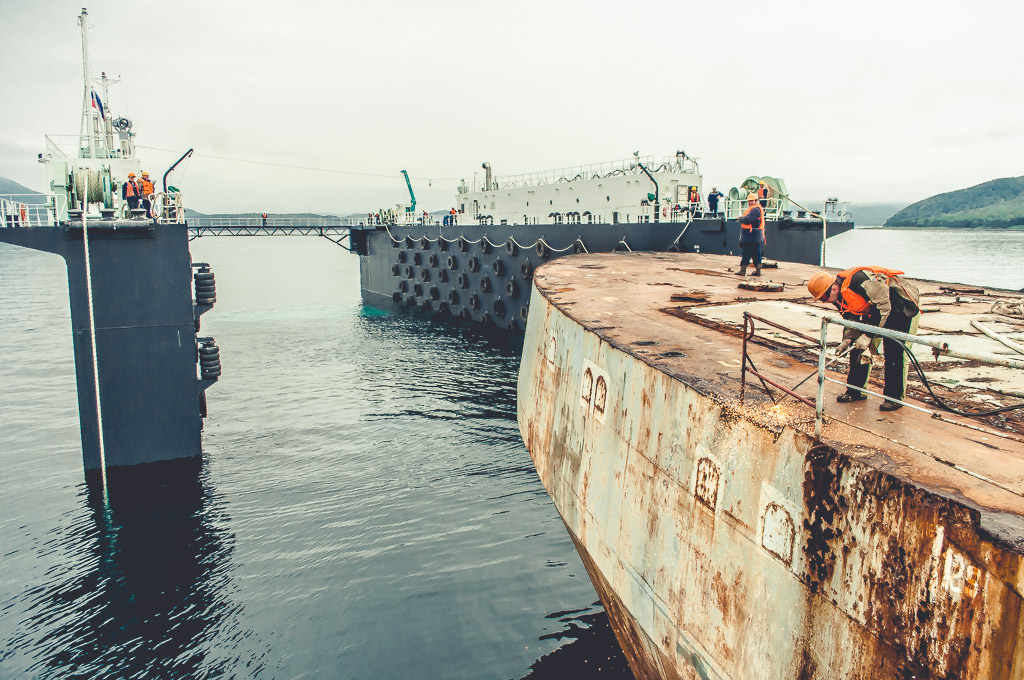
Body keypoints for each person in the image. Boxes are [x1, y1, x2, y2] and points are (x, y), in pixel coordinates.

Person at [807, 267, 921, 411]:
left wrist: (868, 336)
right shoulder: (838, 297)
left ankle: (894, 398)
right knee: (857, 347)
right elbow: (850, 317)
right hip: (876, 314)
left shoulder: (859, 281)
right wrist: (847, 340)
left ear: (834, 288)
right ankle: (855, 391)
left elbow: (885, 307)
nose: (825, 302)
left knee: (894, 353)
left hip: (901, 308)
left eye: (824, 298)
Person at [736, 193, 764, 276]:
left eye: (752, 201)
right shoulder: (756, 209)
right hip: (755, 235)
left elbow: (749, 219)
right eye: (749, 201)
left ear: (755, 201)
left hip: (750, 235)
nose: (750, 203)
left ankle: (743, 270)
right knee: (756, 253)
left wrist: (740, 218)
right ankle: (758, 270)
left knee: (747, 252)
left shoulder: (755, 210)